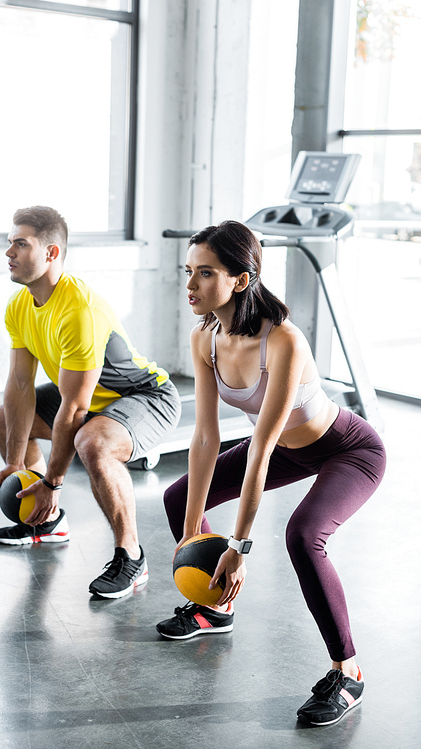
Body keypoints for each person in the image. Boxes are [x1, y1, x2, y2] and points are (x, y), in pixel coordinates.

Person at [155, 220, 386, 726]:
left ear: (240, 279)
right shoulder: (205, 338)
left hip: (346, 450)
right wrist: (193, 530)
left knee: (304, 536)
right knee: (178, 499)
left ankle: (347, 671)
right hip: (285, 448)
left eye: (205, 273)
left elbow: (258, 447)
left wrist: (237, 548)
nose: (190, 284)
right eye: (188, 271)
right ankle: (216, 607)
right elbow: (206, 439)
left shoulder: (282, 340)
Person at [0, 206, 181, 599]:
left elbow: (75, 410)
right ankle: (47, 522)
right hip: (89, 400)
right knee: (3, 419)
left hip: (144, 396)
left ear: (51, 252)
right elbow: (21, 383)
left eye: (20, 244)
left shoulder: (79, 310)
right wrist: (14, 462)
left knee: (93, 443)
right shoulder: (19, 305)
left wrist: (52, 481)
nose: (9, 252)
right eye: (9, 243)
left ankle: (132, 556)